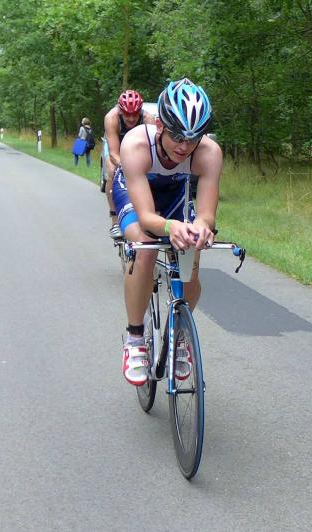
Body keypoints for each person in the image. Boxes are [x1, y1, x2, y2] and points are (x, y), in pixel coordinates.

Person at [112, 78, 219, 386]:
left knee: (190, 254)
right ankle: (135, 338)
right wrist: (171, 227)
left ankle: (180, 334)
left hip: (174, 193)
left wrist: (201, 229)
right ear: (160, 125)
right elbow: (147, 217)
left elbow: (206, 214)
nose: (184, 146)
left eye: (193, 138)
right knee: (145, 247)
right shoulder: (136, 144)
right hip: (135, 193)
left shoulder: (209, 152)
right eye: (177, 136)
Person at [103, 89, 155, 239]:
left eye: (135, 114)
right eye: (127, 114)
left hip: (138, 148)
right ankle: (115, 220)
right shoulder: (111, 118)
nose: (131, 118)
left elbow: (152, 150)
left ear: (140, 111)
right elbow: (113, 153)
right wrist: (127, 167)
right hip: (116, 148)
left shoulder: (148, 119)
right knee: (112, 172)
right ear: (120, 111)